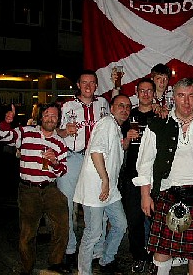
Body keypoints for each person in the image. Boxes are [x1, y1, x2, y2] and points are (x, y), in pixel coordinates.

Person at [133, 78, 193, 275]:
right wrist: (145, 194)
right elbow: (145, 162)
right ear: (173, 97)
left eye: (191, 95)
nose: (186, 101)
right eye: (181, 96)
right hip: (167, 195)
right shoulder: (157, 124)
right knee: (161, 252)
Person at [0, 103, 70, 275]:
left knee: (62, 226)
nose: (50, 118)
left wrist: (55, 162)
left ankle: (55, 262)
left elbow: (62, 171)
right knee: (28, 232)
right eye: (47, 115)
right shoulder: (26, 132)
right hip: (28, 190)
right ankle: (27, 267)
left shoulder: (60, 142)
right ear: (41, 117)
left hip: (50, 188)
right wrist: (6, 122)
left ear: (58, 120)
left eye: (54, 116)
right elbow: (3, 137)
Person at [56, 69, 110, 270]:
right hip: (73, 157)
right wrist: (63, 131)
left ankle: (96, 250)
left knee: (96, 206)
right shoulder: (66, 106)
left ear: (96, 85)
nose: (88, 86)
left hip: (96, 160)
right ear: (78, 85)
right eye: (84, 82)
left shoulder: (103, 104)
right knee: (67, 206)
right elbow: (54, 130)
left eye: (92, 82)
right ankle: (70, 250)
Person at [73, 94, 131, 275]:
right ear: (111, 108)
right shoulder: (106, 123)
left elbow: (116, 152)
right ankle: (84, 271)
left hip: (109, 188)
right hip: (95, 187)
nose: (125, 109)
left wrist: (126, 140)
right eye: (120, 105)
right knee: (93, 232)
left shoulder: (115, 127)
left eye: (128, 107)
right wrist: (105, 181)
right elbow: (96, 153)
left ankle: (106, 260)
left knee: (120, 224)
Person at [121, 78, 157, 273]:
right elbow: (123, 146)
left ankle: (152, 257)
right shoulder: (129, 115)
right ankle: (138, 257)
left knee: (153, 219)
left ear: (154, 93)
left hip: (154, 176)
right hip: (132, 175)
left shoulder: (161, 115)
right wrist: (127, 138)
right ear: (137, 92)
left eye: (149, 91)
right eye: (142, 91)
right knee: (134, 219)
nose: (145, 94)